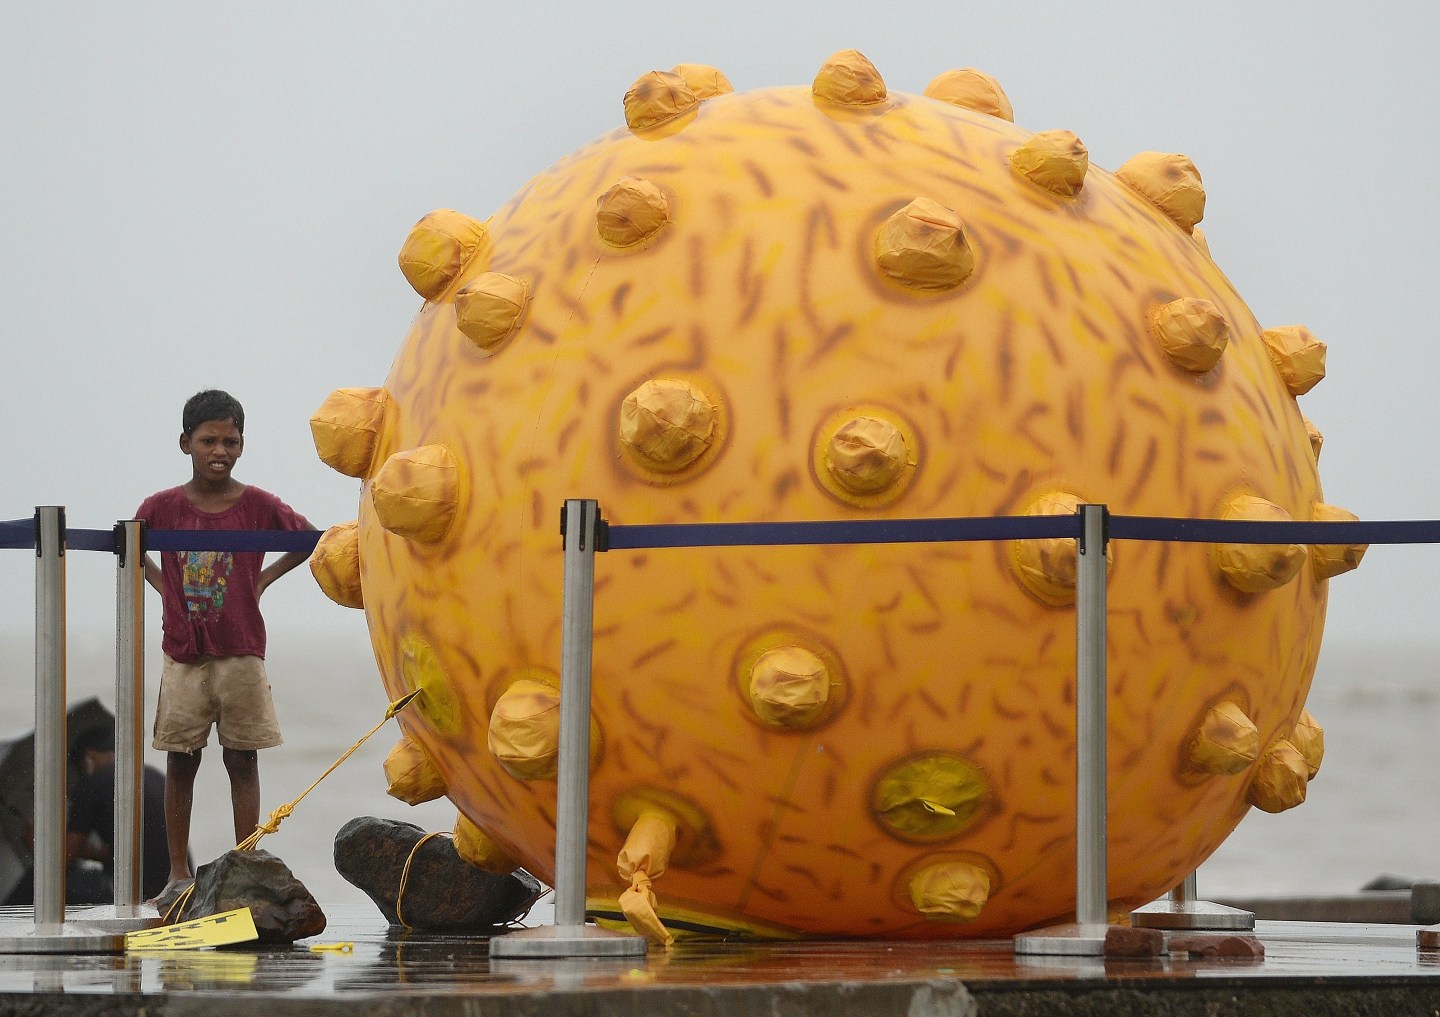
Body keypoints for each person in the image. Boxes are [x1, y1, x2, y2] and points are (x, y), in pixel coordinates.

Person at [136, 389, 314, 903]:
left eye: (230, 441)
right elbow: (131, 544)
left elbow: (305, 539)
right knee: (181, 759)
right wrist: (164, 587)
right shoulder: (162, 507)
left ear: (242, 445)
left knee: (243, 758)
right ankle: (176, 872)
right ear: (185, 442)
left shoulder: (257, 505)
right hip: (184, 653)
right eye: (208, 440)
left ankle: (244, 860)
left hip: (240, 649)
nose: (220, 450)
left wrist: (261, 582)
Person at [65, 724, 177, 904]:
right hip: (173, 884)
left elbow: (65, 859)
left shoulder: (91, 786)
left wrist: (39, 847)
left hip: (136, 892)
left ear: (88, 756)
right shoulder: (149, 774)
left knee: (37, 881)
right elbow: (143, 848)